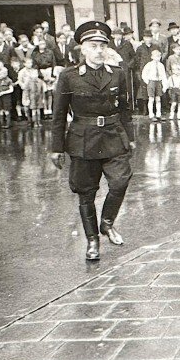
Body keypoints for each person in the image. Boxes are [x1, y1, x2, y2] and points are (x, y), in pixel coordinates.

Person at [49, 21, 136, 261]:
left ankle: (107, 223)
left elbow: (126, 109)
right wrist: (56, 148)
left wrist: (130, 137)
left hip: (113, 135)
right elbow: (58, 114)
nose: (99, 50)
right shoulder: (69, 77)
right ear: (82, 49)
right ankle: (92, 241)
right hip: (83, 139)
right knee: (86, 192)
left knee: (120, 180)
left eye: (102, 46)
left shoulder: (117, 74)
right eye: (93, 45)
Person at [141, 48, 168, 122]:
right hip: (151, 82)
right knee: (151, 99)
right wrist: (148, 82)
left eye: (159, 56)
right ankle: (151, 114)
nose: (157, 58)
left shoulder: (161, 65)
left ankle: (158, 114)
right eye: (156, 56)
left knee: (158, 99)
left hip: (158, 82)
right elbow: (144, 74)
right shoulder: (149, 65)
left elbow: (163, 76)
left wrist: (165, 85)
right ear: (152, 57)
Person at [17, 56, 43, 128]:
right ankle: (29, 120)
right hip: (26, 90)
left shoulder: (33, 71)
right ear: (24, 64)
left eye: (31, 63)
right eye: (28, 63)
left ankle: (36, 121)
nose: (30, 64)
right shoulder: (22, 72)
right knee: (26, 106)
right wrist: (23, 86)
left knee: (34, 106)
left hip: (33, 90)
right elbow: (19, 80)